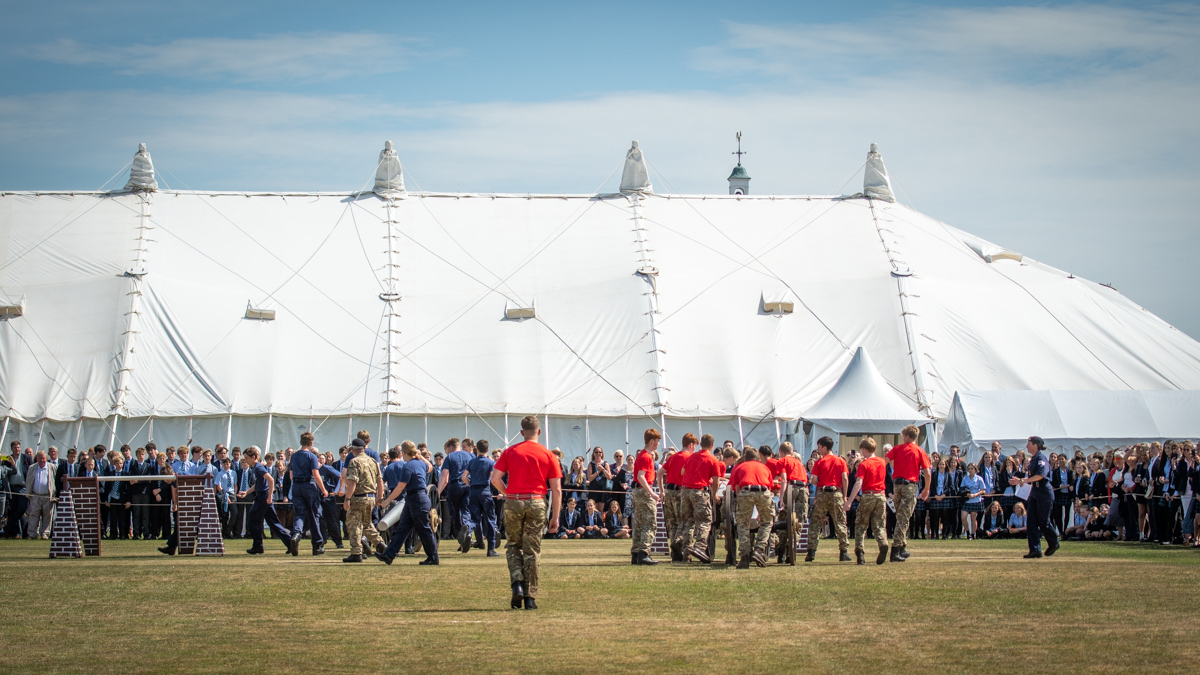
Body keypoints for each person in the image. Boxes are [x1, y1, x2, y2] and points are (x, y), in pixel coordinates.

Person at [490, 415, 562, 610]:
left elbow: (495, 478)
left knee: (513, 545)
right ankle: (530, 597)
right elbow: (556, 489)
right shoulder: (549, 455)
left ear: (521, 433)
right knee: (532, 550)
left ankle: (517, 584)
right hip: (537, 502)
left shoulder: (510, 451)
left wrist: (508, 493)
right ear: (539, 432)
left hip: (514, 501)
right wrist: (555, 517)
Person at [376, 441, 440, 566]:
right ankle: (389, 555)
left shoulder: (408, 466)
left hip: (416, 499)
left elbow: (400, 487)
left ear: (403, 453)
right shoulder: (420, 463)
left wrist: (387, 501)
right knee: (403, 528)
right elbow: (430, 467)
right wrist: (420, 455)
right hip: (416, 499)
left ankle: (433, 557)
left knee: (423, 529)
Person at [238, 446, 296, 556]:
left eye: (247, 458)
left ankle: (258, 546)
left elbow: (271, 479)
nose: (245, 460)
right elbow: (258, 484)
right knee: (273, 522)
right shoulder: (256, 467)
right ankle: (290, 543)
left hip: (263, 498)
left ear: (253, 457)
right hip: (263, 497)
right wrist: (246, 492)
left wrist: (269, 497)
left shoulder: (258, 467)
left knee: (252, 520)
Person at [886, 425, 931, 562]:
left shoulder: (898, 448)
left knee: (901, 515)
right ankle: (896, 549)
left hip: (897, 485)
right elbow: (927, 472)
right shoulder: (919, 451)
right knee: (904, 518)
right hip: (910, 485)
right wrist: (927, 488)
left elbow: (885, 461)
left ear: (906, 436)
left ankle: (902, 547)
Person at [679, 434, 725, 564]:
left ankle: (686, 553)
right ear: (712, 446)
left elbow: (682, 472)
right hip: (700, 491)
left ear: (701, 444)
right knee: (704, 521)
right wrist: (715, 494)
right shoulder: (712, 459)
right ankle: (700, 547)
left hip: (686, 491)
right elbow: (716, 481)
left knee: (688, 523)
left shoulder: (692, 456)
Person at [726, 447, 775, 568]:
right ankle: (759, 549)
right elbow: (770, 486)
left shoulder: (740, 467)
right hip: (763, 491)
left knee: (742, 524)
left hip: (745, 491)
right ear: (757, 457)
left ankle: (744, 556)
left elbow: (736, 488)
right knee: (767, 521)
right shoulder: (764, 467)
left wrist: (739, 502)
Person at [1011, 436, 1059, 558]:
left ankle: (1054, 542)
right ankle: (1035, 549)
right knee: (1031, 521)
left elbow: (1040, 475)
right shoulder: (1033, 459)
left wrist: (1024, 480)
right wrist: (1020, 480)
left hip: (1044, 493)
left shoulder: (1041, 459)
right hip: (1034, 493)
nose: (1027, 446)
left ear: (1035, 445)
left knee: (1044, 521)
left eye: (1029, 444)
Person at [844, 438, 889, 565]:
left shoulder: (864, 464)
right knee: (879, 524)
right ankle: (883, 543)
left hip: (868, 495)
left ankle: (860, 552)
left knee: (861, 525)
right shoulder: (882, 462)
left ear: (864, 450)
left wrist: (849, 501)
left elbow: (858, 483)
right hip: (881, 495)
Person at [806, 437, 850, 562]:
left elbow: (813, 479)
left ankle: (811, 551)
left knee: (816, 522)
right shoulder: (840, 461)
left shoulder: (819, 462)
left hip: (822, 493)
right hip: (836, 492)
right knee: (840, 522)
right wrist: (844, 495)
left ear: (824, 447)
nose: (818, 450)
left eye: (819, 447)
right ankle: (843, 551)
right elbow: (845, 478)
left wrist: (821, 483)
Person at [340, 438, 384, 563]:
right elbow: (379, 480)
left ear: (353, 450)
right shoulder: (373, 461)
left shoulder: (354, 461)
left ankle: (356, 552)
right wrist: (379, 496)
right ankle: (380, 544)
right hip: (371, 497)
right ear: (364, 448)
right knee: (367, 524)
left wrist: (347, 498)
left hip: (358, 497)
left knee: (354, 525)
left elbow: (352, 481)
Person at [287, 432, 327, 556]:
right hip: (309, 486)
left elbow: (291, 475)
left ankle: (296, 534)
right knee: (313, 514)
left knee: (299, 513)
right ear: (311, 443)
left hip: (297, 486)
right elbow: (316, 474)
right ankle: (317, 544)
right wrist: (323, 489)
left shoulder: (294, 456)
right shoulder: (312, 457)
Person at [629, 429, 662, 565]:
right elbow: (641, 476)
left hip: (638, 491)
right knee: (649, 523)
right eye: (657, 441)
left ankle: (636, 553)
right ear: (652, 441)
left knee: (638, 523)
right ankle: (644, 552)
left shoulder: (641, 455)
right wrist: (652, 493)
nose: (658, 444)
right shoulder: (647, 456)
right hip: (644, 490)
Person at [660, 433, 695, 562]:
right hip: (682, 491)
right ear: (691, 445)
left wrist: (662, 490)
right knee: (686, 521)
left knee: (673, 523)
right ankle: (685, 551)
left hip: (669, 491)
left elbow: (660, 473)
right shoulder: (690, 457)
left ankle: (675, 553)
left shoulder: (673, 457)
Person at [437, 438, 474, 552]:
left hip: (455, 486)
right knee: (467, 510)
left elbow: (444, 476)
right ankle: (467, 529)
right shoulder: (470, 456)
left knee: (455, 513)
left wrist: (437, 492)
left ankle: (462, 539)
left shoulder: (450, 457)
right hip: (468, 485)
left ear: (451, 448)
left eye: (446, 450)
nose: (446, 453)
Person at [464, 439, 499, 556]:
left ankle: (468, 529)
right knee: (490, 519)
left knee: (474, 517)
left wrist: (471, 485)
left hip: (473, 491)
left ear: (477, 449)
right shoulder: (490, 463)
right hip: (485, 491)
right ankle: (491, 549)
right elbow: (493, 479)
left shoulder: (472, 462)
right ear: (487, 450)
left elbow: (464, 477)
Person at [24, 451, 56, 539]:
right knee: (33, 515)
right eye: (40, 458)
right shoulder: (32, 467)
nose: (42, 460)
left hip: (47, 495)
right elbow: (28, 480)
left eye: (44, 458)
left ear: (46, 458)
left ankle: (45, 533)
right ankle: (32, 533)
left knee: (47, 515)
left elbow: (55, 481)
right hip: (35, 495)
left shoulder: (52, 467)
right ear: (37, 459)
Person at [317, 453, 344, 549]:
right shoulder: (313, 470)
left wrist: (340, 489)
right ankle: (322, 539)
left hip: (328, 496)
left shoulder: (327, 468)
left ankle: (338, 541)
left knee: (332, 520)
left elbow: (341, 476)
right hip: (317, 496)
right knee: (318, 518)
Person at [960, 463, 988, 540]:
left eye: (972, 469)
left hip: (976, 500)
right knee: (963, 517)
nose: (970, 470)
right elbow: (962, 488)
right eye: (969, 469)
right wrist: (967, 493)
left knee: (973, 518)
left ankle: (972, 534)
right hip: (967, 500)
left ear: (975, 469)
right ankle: (967, 532)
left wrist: (975, 495)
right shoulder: (965, 478)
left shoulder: (979, 479)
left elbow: (983, 490)